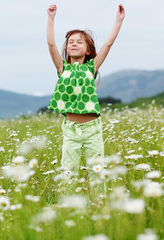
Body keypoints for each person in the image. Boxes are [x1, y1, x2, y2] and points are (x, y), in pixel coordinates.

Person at [47, 3, 125, 180]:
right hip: (70, 130)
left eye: (79, 42)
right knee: (68, 174)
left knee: (97, 174)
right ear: (66, 49)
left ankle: (99, 204)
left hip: (92, 129)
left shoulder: (92, 68)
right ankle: (68, 205)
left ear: (88, 50)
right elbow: (51, 44)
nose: (74, 44)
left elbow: (109, 44)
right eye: (70, 43)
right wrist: (51, 19)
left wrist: (118, 21)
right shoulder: (62, 69)